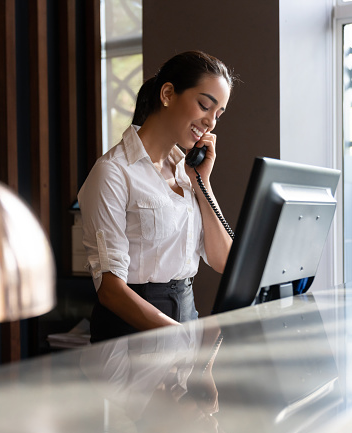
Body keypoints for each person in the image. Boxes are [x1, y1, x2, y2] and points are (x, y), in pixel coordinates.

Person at [78, 50, 235, 342]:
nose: (211, 123)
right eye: (204, 105)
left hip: (186, 318)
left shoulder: (187, 172)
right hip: (132, 333)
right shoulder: (113, 172)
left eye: (218, 115)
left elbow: (225, 261)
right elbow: (110, 290)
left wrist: (202, 183)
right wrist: (183, 336)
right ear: (167, 94)